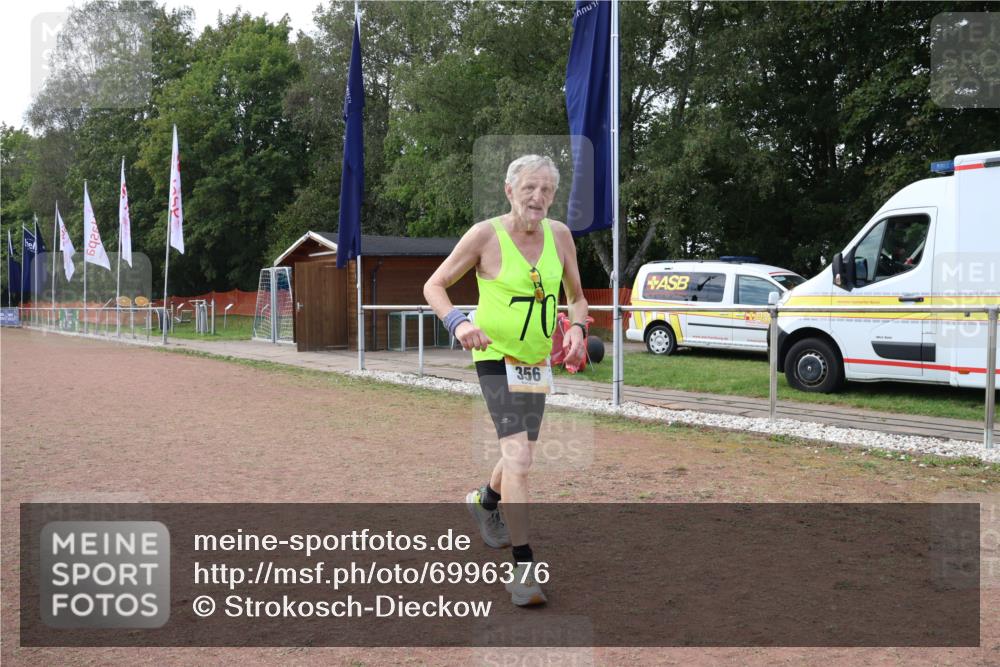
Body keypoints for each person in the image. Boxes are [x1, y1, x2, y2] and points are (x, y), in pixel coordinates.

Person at [424, 154, 589, 606]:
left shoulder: (560, 237)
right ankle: (523, 568)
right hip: (494, 356)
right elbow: (434, 286)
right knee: (519, 459)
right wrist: (458, 323)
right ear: (510, 190)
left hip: (536, 361)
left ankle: (484, 501)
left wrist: (577, 329)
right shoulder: (485, 235)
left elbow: (577, 298)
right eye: (530, 188)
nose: (539, 198)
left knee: (519, 455)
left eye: (548, 191)